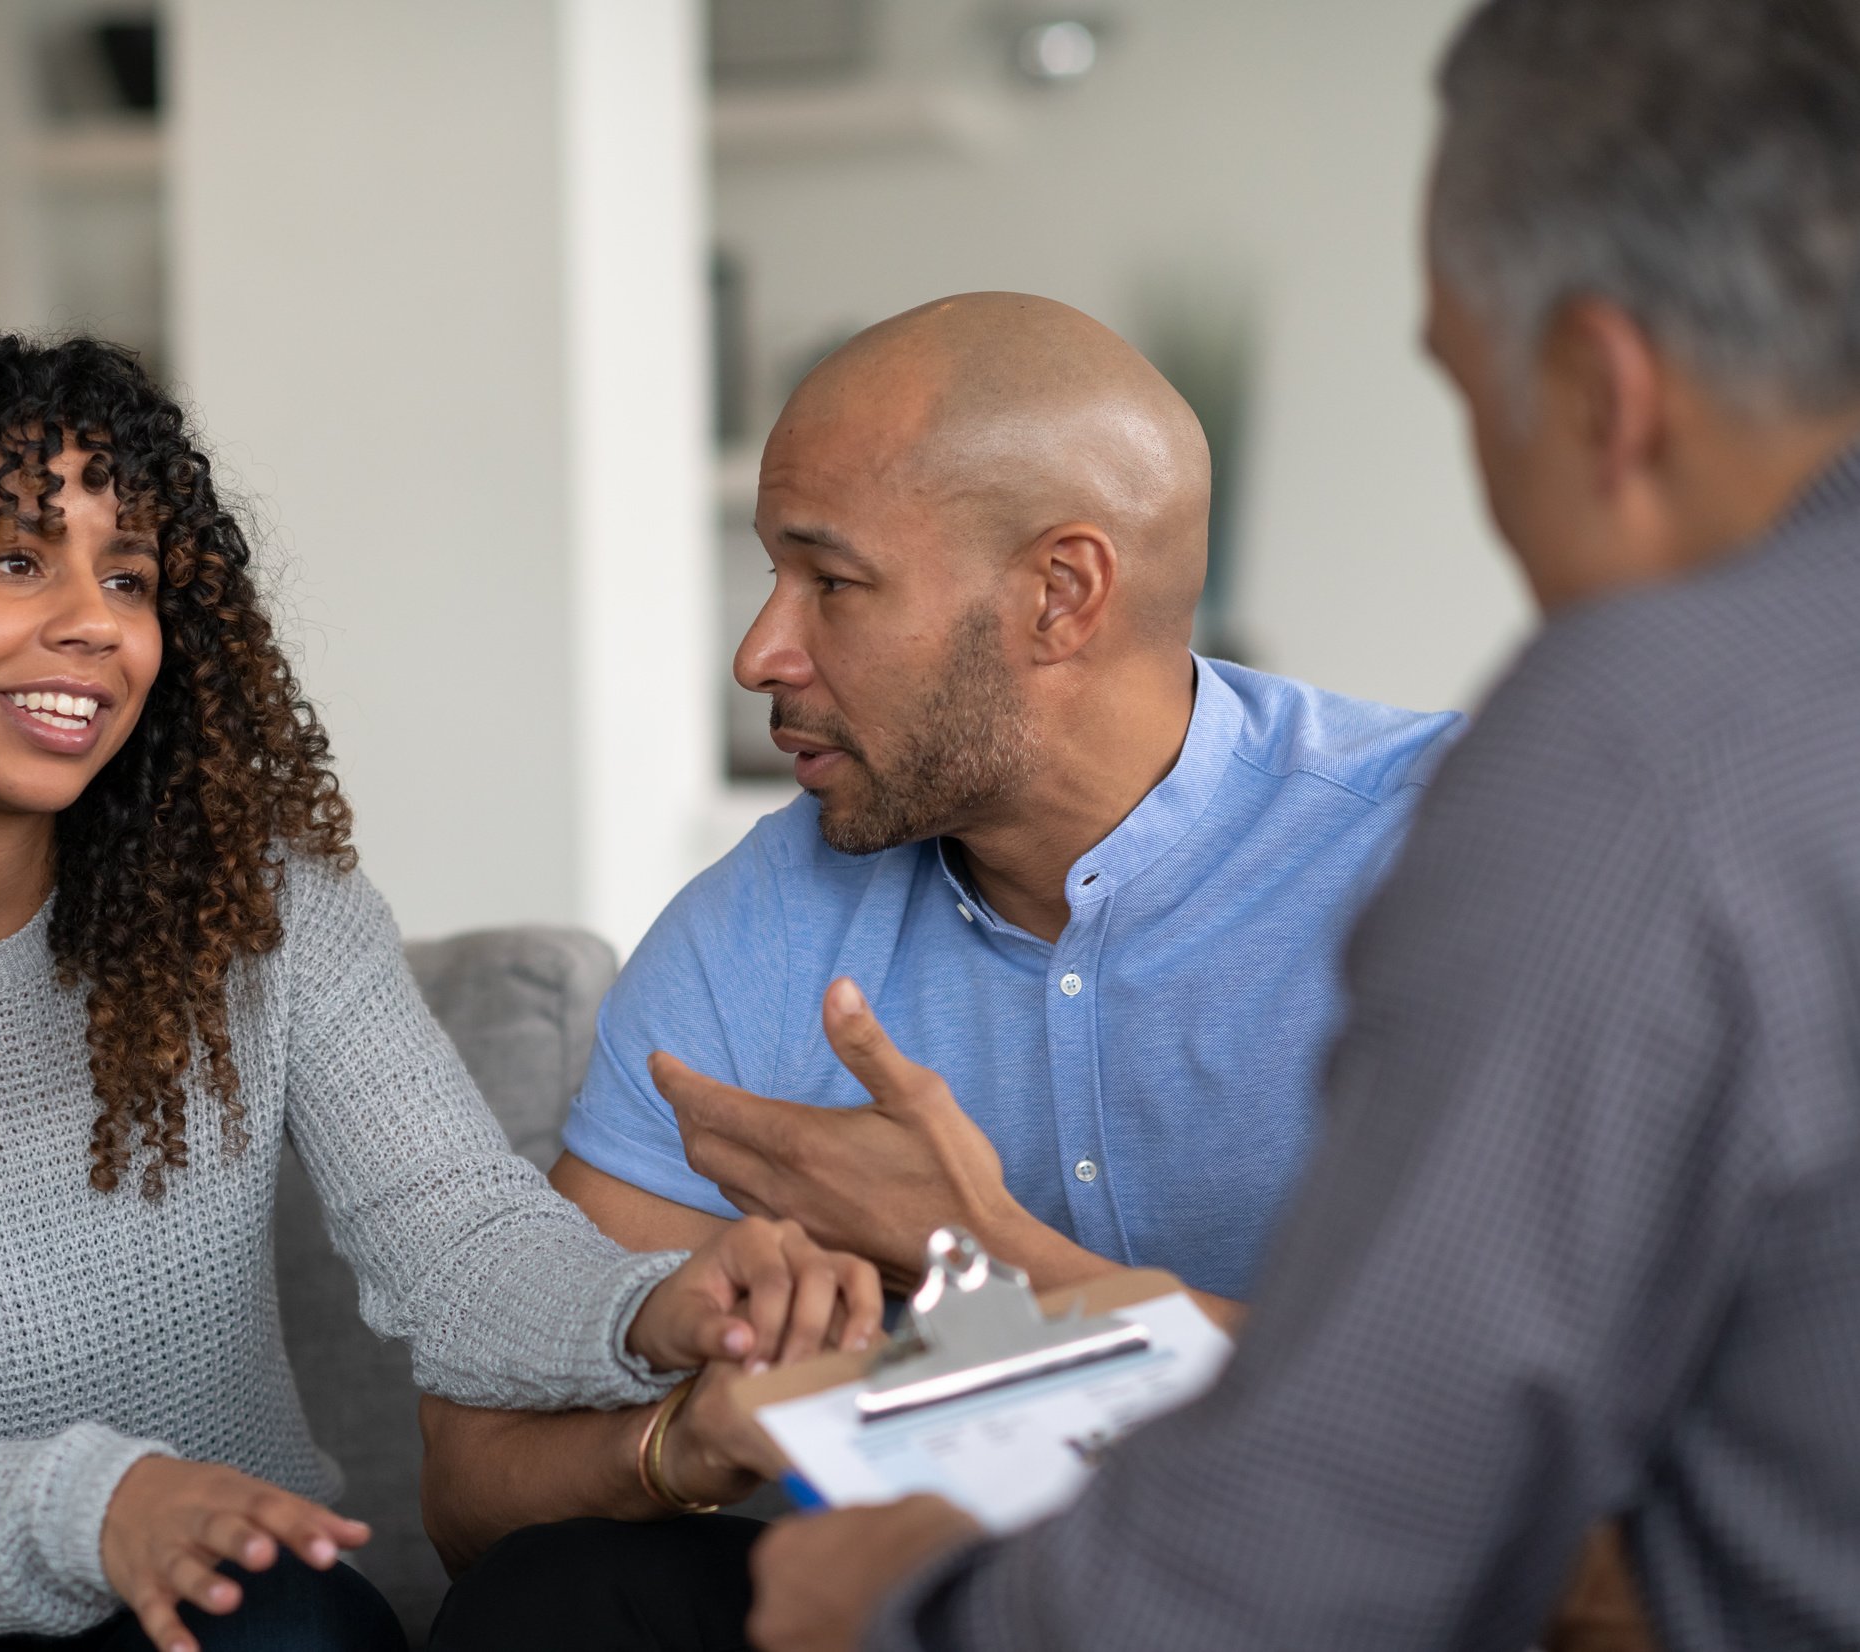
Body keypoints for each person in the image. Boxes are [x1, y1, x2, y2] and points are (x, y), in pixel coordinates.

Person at [746, 1, 1860, 1647]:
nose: (770, 649)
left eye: (1475, 395)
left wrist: (904, 1603)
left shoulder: (1640, 756)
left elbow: (1338, 1534)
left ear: (1600, 390)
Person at [0, 334, 880, 1652]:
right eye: (18, 561)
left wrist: (660, 1305)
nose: (95, 622)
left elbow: (458, 1243)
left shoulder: (263, 908)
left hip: (214, 1604)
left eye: (129, 577)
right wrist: (102, 1506)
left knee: (284, 1626)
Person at [420, 295, 1462, 1649]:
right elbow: (466, 1489)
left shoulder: (1446, 855)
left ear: (1059, 593)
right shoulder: (758, 928)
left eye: (830, 583)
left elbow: (1537, 1443)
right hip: (936, 1613)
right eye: (769, 578)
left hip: (1352, 1611)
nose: (759, 653)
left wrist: (985, 1261)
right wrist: (691, 1434)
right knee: (559, 1600)